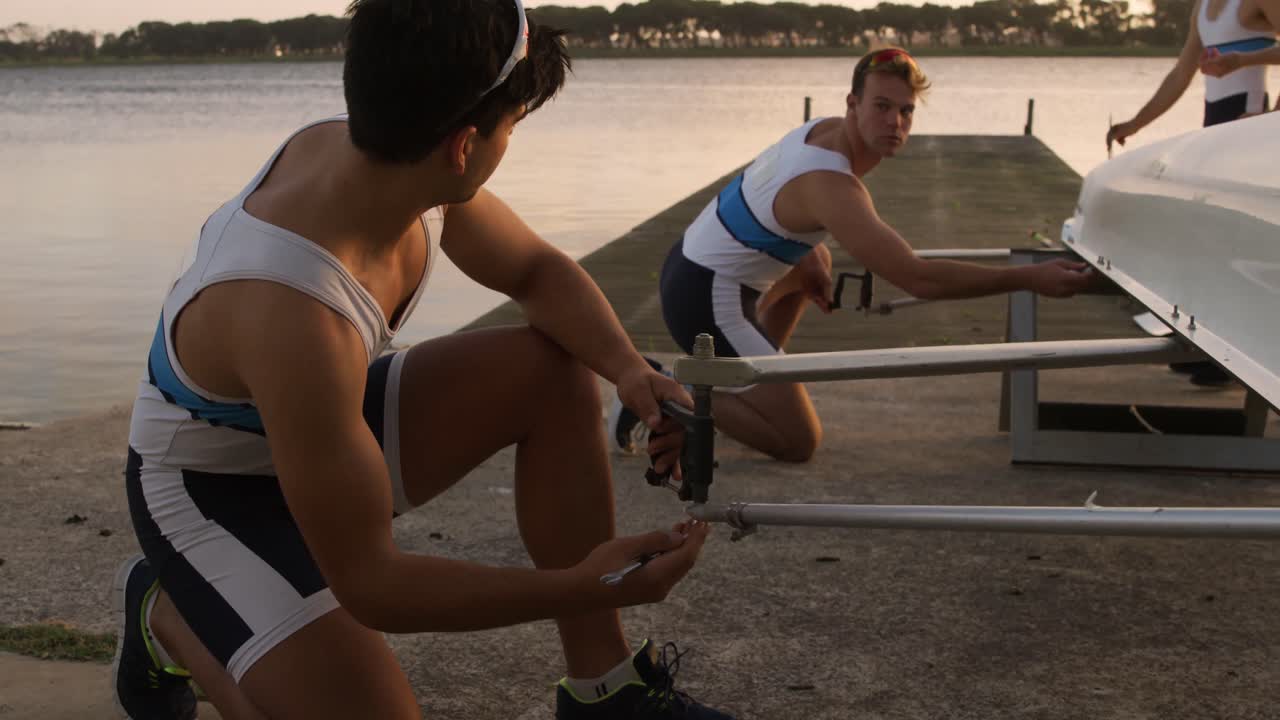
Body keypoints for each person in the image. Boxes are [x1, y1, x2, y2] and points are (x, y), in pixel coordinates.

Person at [109, 1, 736, 719]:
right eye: (514, 126)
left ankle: (605, 691)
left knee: (554, 369)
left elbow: (534, 271)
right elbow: (373, 584)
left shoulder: (399, 159)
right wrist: (592, 582)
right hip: (210, 492)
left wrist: (629, 370)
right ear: (464, 145)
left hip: (316, 424)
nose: (513, 143)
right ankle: (172, 618)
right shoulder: (290, 309)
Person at [607, 48, 1092, 463]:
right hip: (708, 297)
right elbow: (918, 278)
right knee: (799, 442)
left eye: (906, 111)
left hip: (694, 262)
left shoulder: (821, 130)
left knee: (816, 264)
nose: (894, 122)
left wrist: (812, 251)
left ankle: (745, 386)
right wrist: (1029, 278)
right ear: (853, 104)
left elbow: (774, 203)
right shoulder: (832, 185)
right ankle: (665, 383)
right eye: (881, 107)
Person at [1106, 0, 1277, 385]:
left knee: (1232, 240)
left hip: (1248, 122)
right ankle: (1208, 350)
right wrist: (1134, 124)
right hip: (1215, 122)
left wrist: (1246, 68)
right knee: (1207, 238)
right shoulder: (1201, 8)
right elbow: (1181, 73)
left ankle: (1228, 361)